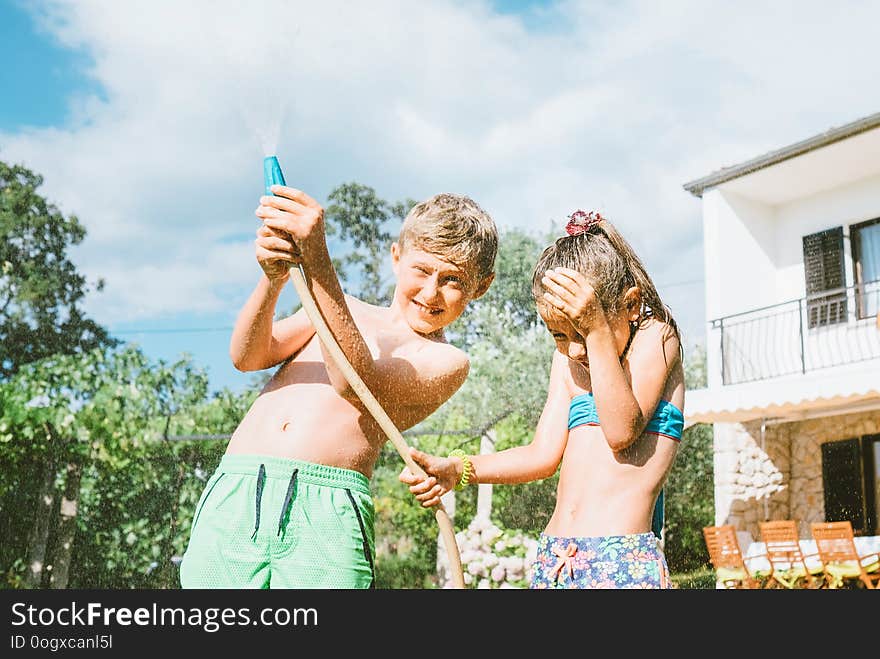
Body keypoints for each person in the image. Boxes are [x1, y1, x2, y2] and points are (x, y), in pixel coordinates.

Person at [179, 187, 497, 588]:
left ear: (480, 287)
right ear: (397, 257)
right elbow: (249, 356)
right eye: (422, 270)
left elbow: (353, 381)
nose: (431, 292)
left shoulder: (447, 361)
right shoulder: (342, 306)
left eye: (453, 280)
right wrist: (274, 278)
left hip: (326, 510)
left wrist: (317, 259)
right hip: (239, 486)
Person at [400, 209, 685, 589]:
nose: (574, 350)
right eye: (559, 335)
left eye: (582, 331)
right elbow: (541, 455)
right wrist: (458, 469)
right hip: (556, 559)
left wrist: (596, 328)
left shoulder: (656, 336)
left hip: (620, 560)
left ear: (631, 305)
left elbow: (621, 431)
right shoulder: (568, 361)